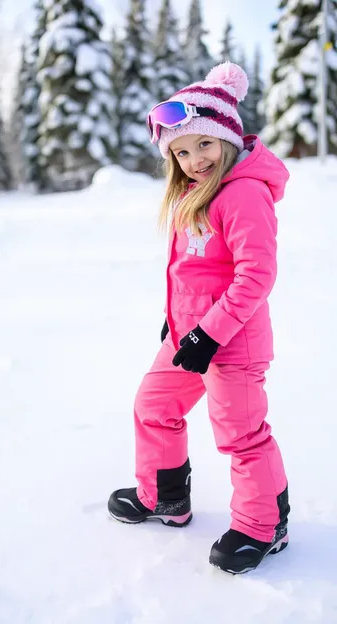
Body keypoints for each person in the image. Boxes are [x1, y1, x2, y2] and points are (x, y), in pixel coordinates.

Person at [107, 62, 291, 575]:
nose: (193, 160)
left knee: (241, 434)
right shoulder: (194, 194)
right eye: (181, 152)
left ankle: (264, 526)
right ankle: (164, 496)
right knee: (153, 404)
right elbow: (193, 272)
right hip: (190, 336)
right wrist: (177, 320)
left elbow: (256, 275)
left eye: (203, 145)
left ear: (226, 136)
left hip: (232, 342)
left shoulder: (244, 192)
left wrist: (208, 333)